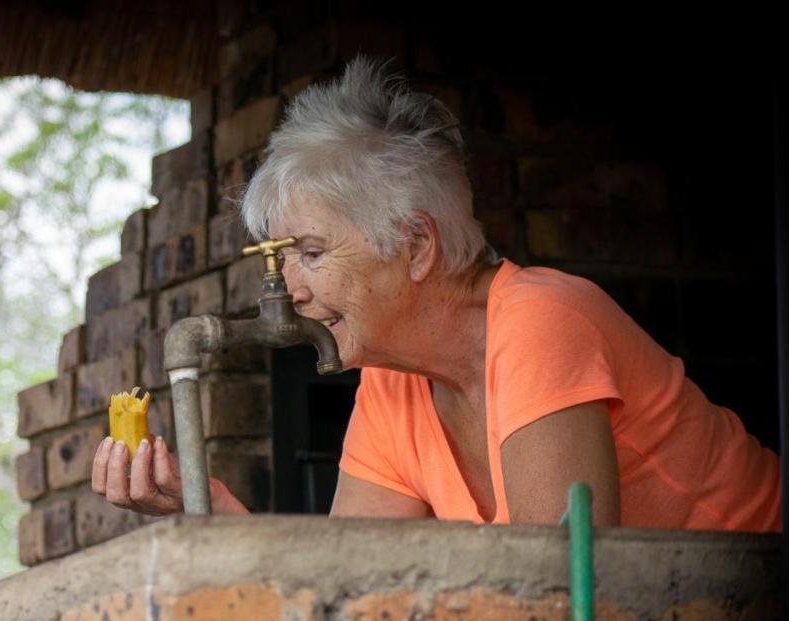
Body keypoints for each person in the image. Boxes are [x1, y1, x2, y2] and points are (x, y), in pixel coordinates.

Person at [92, 57, 780, 532]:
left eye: (310, 252)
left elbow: (562, 596)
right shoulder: (393, 385)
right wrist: (206, 505)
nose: (292, 291)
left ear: (417, 246)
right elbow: (346, 584)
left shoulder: (539, 321)